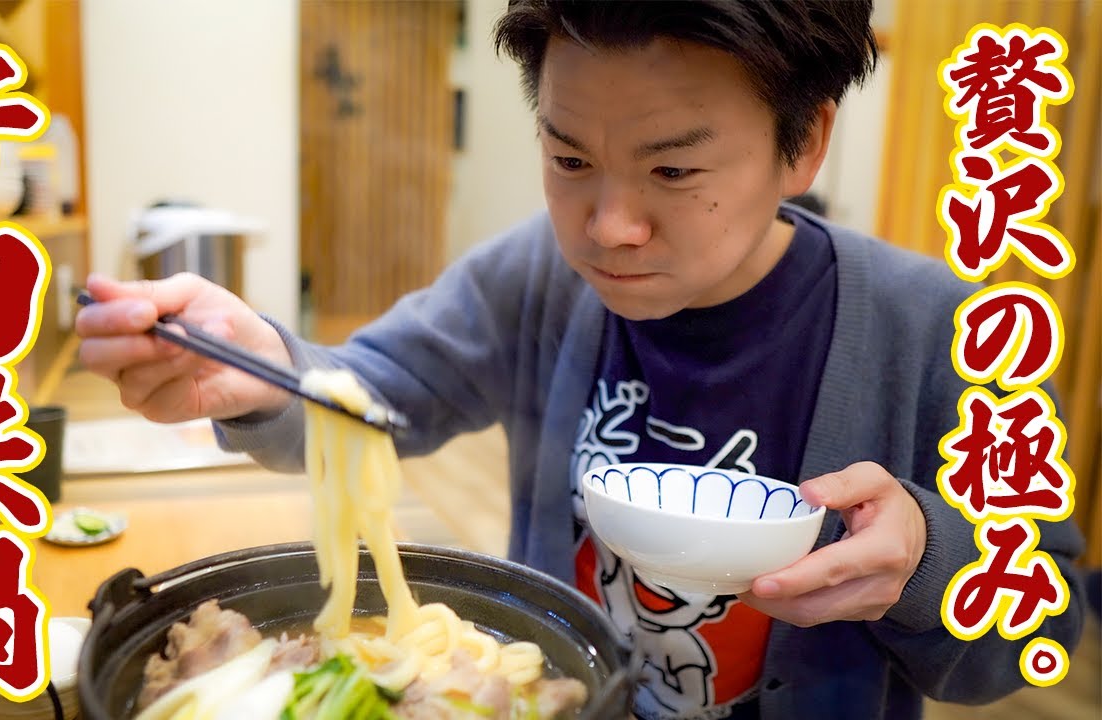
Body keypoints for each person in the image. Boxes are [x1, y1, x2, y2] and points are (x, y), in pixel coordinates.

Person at [74, 2, 1086, 719]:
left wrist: (925, 562)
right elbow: (370, 396)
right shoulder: (537, 276)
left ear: (805, 142)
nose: (607, 227)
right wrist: (259, 370)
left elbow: (1038, 625)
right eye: (568, 159)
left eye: (672, 168)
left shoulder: (933, 326)